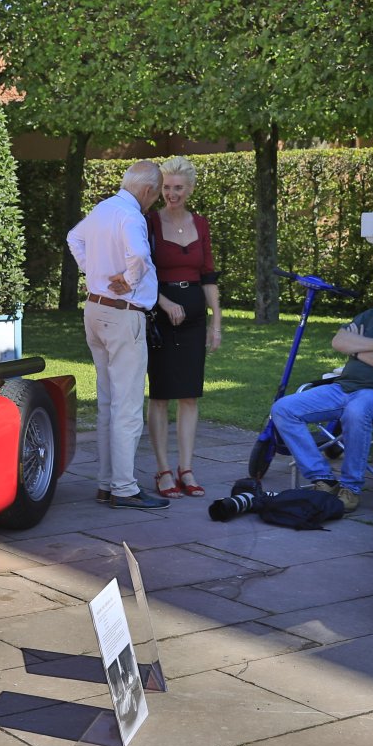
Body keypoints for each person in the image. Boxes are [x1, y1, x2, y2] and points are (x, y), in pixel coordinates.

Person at [267, 264, 373, 513]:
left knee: (356, 411)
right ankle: (323, 478)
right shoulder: (370, 316)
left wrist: (357, 348)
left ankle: (351, 488)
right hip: (342, 387)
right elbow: (338, 341)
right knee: (283, 408)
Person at [66, 161, 168, 509]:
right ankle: (124, 488)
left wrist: (91, 269)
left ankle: (106, 483)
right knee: (127, 406)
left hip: (95, 310)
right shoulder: (131, 216)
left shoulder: (103, 208)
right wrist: (130, 279)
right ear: (148, 190)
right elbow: (138, 254)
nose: (153, 202)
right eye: (155, 195)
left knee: (108, 402)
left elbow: (73, 238)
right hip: (123, 314)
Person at [145, 157, 222, 499]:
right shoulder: (149, 221)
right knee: (161, 394)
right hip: (160, 318)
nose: (171, 194)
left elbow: (208, 275)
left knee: (189, 395)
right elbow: (142, 271)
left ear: (189, 189)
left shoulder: (201, 224)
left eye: (178, 187)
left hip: (193, 320)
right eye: (166, 187)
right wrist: (163, 301)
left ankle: (186, 469)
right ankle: (163, 470)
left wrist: (216, 321)